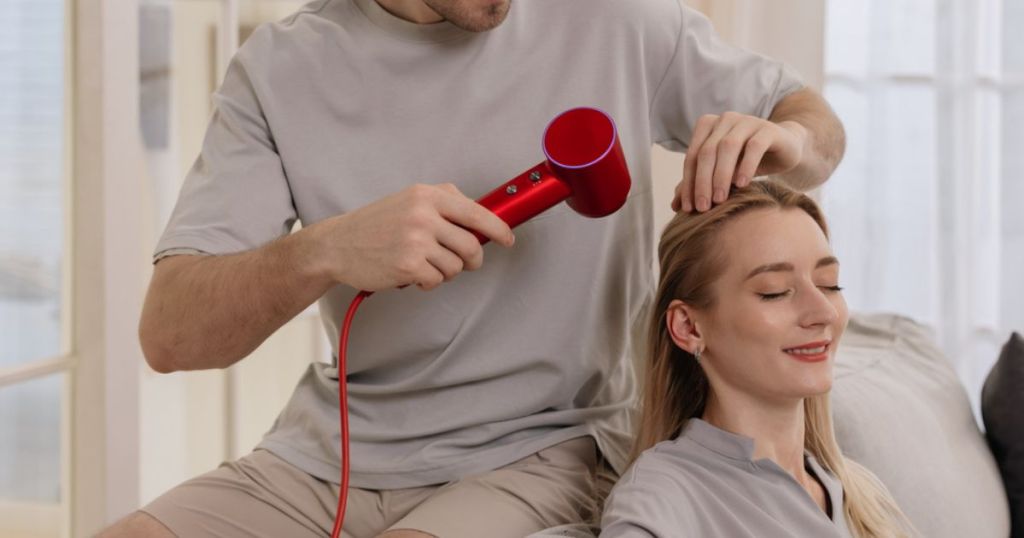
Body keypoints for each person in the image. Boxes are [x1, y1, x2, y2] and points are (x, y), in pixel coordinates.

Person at [101, 0, 845, 536]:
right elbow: (170, 338)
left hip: (548, 446)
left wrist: (788, 144)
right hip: (323, 457)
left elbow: (815, 125)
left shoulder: (618, 22)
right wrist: (323, 248)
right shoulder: (278, 69)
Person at [599, 180, 914, 538]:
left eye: (829, 284)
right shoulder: (661, 500)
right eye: (774, 292)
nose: (823, 311)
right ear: (688, 327)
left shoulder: (855, 494)